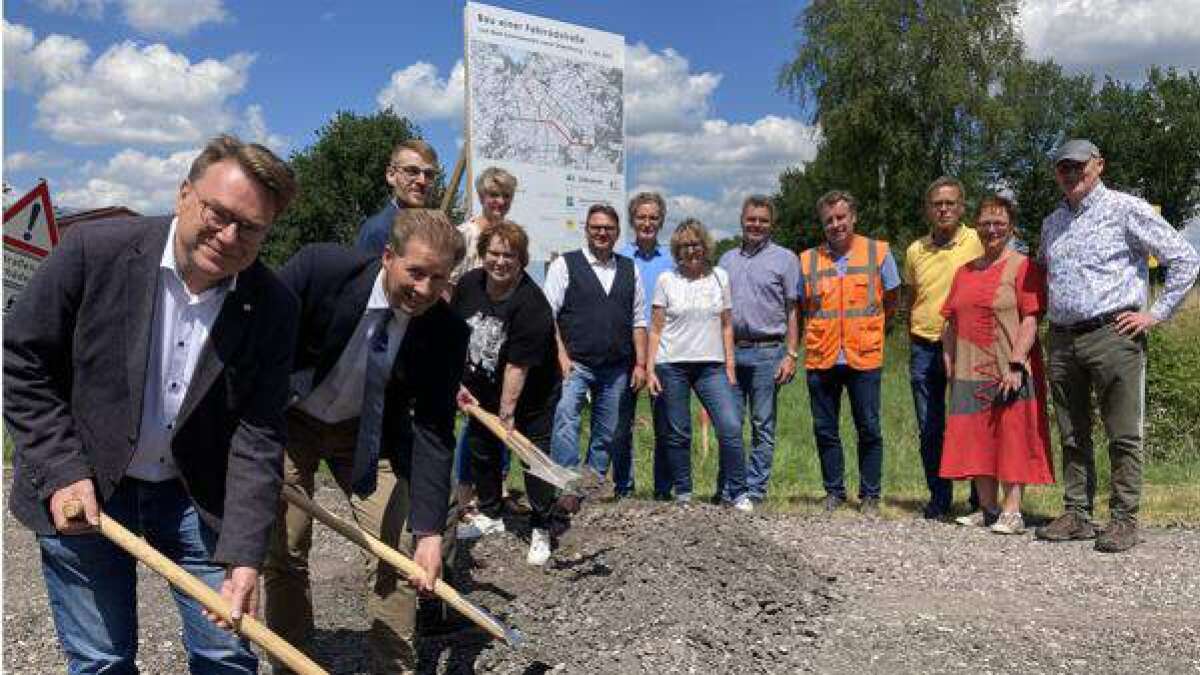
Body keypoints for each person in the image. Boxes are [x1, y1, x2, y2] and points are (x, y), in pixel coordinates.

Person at [3, 134, 299, 674]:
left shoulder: (273, 306)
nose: (229, 236)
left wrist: (244, 553)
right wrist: (63, 467)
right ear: (185, 193)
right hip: (85, 481)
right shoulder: (95, 251)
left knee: (227, 653)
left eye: (251, 228)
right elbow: (20, 359)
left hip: (193, 495)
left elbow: (259, 434)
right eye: (219, 212)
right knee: (101, 660)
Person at [265, 208, 469, 673]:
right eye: (415, 273)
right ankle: (291, 662)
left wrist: (431, 533)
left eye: (438, 279)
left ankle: (392, 666)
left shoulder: (445, 331)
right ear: (387, 256)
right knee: (286, 548)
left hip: (366, 431)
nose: (423, 290)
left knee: (400, 549)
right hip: (292, 420)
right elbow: (257, 341)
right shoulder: (320, 271)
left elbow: (435, 430)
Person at [1034, 139, 1200, 553]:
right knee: (1072, 433)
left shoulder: (1127, 208)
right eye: (1062, 168)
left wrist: (1156, 314)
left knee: (1123, 433)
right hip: (1062, 339)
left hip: (1114, 334)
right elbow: (1043, 273)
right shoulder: (1052, 222)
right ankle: (1077, 513)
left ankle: (1124, 519)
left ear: (1098, 166)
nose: (1070, 175)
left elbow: (1184, 258)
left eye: (1077, 167)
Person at [939, 195, 1055, 534]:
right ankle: (988, 509)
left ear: (1011, 227)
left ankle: (1013, 511)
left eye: (999, 223)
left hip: (1010, 368)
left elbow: (1031, 319)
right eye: (986, 223)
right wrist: (949, 360)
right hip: (968, 369)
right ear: (976, 227)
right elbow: (950, 321)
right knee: (976, 438)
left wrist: (1017, 363)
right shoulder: (963, 272)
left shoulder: (1023, 267)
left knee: (1013, 435)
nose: (992, 229)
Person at [451, 222, 565, 565]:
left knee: (533, 459)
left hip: (531, 396)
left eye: (509, 255)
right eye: (494, 253)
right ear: (483, 253)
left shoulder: (532, 303)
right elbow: (456, 332)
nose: (500, 261)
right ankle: (490, 514)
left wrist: (507, 412)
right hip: (482, 387)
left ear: (522, 259)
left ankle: (542, 527)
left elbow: (518, 366)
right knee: (482, 449)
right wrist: (458, 380)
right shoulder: (470, 284)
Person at [798, 190, 900, 516]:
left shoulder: (879, 252)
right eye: (829, 220)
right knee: (825, 430)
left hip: (864, 356)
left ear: (853, 217)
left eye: (841, 217)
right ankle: (834, 492)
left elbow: (893, 300)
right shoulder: (806, 260)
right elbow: (802, 307)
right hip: (821, 356)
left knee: (868, 428)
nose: (836, 224)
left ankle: (870, 495)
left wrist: (875, 329)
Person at [645, 219, 753, 511]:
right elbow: (655, 328)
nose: (691, 250)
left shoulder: (720, 277)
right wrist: (649, 368)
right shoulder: (667, 280)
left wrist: (730, 365)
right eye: (684, 246)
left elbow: (727, 326)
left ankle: (739, 492)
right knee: (678, 431)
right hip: (672, 365)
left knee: (730, 426)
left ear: (705, 246)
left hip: (712, 366)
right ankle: (684, 493)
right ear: (676, 250)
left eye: (696, 244)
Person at [545, 203, 648, 494]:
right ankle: (567, 485)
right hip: (576, 363)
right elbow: (548, 315)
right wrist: (561, 357)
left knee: (608, 429)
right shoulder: (565, 265)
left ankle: (590, 486)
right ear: (587, 230)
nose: (602, 233)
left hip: (616, 366)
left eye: (608, 228)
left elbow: (639, 320)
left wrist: (640, 364)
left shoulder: (630, 269)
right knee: (565, 419)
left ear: (617, 233)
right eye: (596, 227)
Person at [903, 176, 984, 521]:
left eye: (950, 203)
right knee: (930, 427)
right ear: (928, 210)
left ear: (962, 207)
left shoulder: (978, 242)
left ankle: (981, 498)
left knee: (973, 422)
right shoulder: (914, 250)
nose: (944, 209)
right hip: (924, 346)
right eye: (937, 204)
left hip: (968, 345)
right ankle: (939, 498)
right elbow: (909, 296)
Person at [716, 195, 801, 504]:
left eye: (763, 220)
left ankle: (755, 490)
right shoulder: (725, 260)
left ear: (771, 224)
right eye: (751, 219)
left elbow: (793, 309)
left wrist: (791, 354)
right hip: (731, 352)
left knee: (762, 425)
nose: (756, 225)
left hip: (768, 352)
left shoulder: (786, 259)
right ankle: (730, 489)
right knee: (729, 425)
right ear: (742, 220)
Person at [452, 168, 520, 520]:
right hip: (470, 335)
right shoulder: (465, 235)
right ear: (482, 196)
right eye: (494, 195)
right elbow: (449, 285)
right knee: (474, 416)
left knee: (504, 413)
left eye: (506, 196)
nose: (500, 202)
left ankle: (497, 487)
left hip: (502, 335)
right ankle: (464, 493)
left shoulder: (509, 237)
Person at [617, 192, 676, 499]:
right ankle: (623, 488)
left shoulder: (672, 260)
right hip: (625, 350)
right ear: (632, 220)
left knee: (665, 423)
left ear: (661, 222)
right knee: (621, 424)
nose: (647, 223)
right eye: (641, 217)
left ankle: (663, 490)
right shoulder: (620, 257)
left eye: (653, 217)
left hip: (664, 350)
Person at [356, 139, 439, 254]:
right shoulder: (378, 231)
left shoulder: (435, 230)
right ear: (391, 175)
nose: (422, 181)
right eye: (412, 171)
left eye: (429, 174)